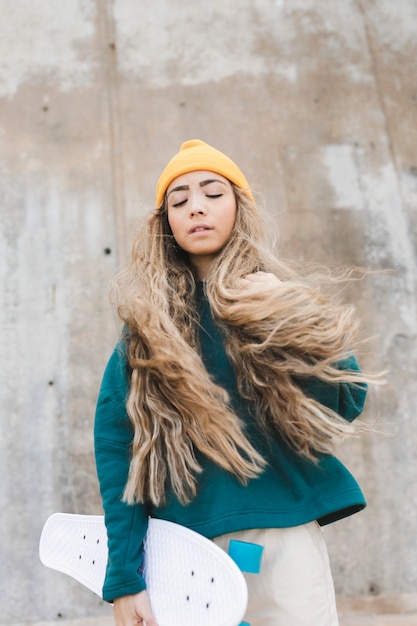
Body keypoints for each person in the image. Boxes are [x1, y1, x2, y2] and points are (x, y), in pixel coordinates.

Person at [94, 139, 375, 626]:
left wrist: (292, 311)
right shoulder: (146, 332)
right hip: (186, 549)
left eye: (212, 193)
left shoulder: (277, 299)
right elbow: (120, 448)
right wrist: (124, 576)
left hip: (284, 540)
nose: (196, 207)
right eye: (178, 201)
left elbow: (345, 400)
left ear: (240, 208)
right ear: (166, 226)